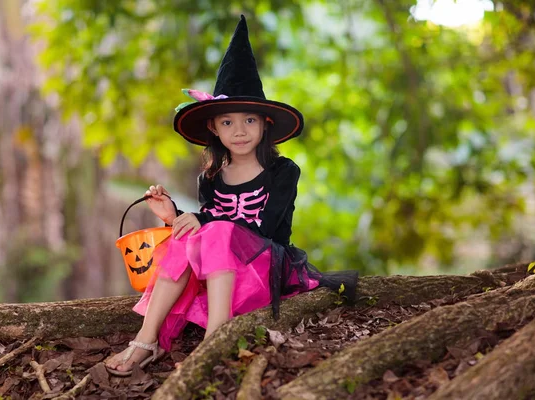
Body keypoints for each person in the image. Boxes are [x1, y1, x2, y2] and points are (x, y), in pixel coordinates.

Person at [105, 15, 358, 376]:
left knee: (219, 231)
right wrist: (173, 215)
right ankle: (145, 341)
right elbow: (204, 225)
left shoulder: (283, 172)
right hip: (218, 273)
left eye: (249, 121)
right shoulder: (210, 177)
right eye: (227, 122)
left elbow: (265, 228)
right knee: (186, 237)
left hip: (265, 265)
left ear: (265, 124)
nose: (239, 130)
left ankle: (215, 339)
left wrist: (204, 220)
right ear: (213, 127)